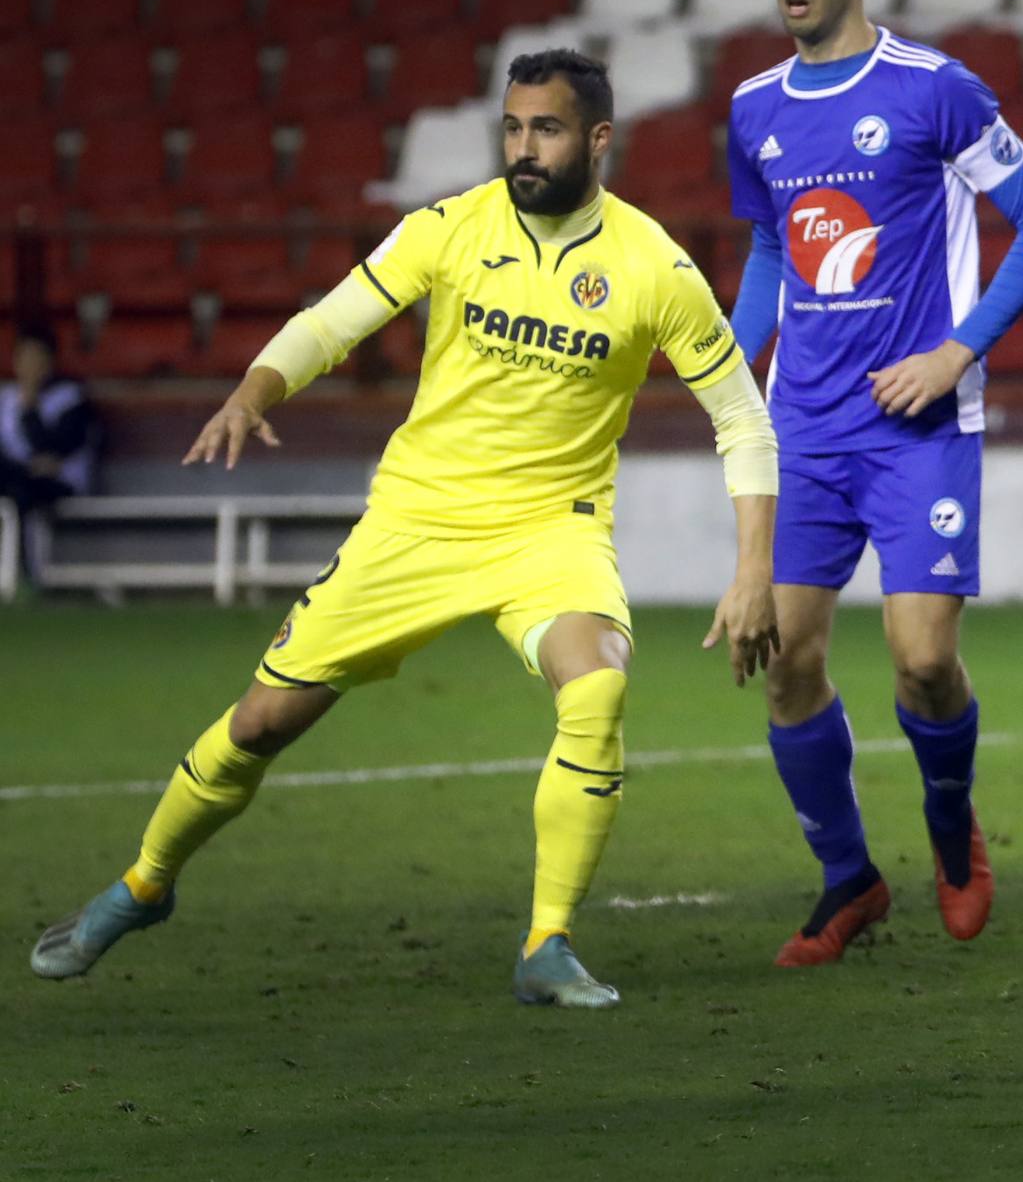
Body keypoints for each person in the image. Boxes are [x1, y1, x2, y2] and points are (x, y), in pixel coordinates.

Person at [26, 51, 780, 1006]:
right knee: (260, 722)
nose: (522, 148)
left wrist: (753, 568)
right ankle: (142, 885)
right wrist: (255, 387)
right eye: (511, 128)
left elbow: (743, 420)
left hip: (549, 531)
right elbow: (333, 318)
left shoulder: (655, 267)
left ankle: (548, 943)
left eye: (544, 130)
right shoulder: (452, 226)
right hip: (415, 521)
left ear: (598, 139)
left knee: (595, 688)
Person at [722, 0, 1023, 964]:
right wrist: (733, 373)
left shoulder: (935, 91)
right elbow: (775, 248)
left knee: (923, 661)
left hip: (919, 424)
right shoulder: (752, 108)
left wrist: (954, 352)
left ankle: (948, 824)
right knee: (786, 662)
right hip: (804, 431)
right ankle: (847, 881)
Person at [1, 328, 101, 583]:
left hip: (61, 483)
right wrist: (27, 468)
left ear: (50, 362)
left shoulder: (70, 398)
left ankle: (26, 575)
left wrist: (31, 409)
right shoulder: (5, 398)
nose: (31, 366)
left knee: (21, 495)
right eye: (25, 358)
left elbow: (54, 448)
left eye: (38, 358)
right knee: (16, 487)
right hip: (18, 477)